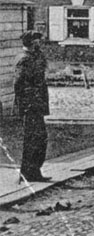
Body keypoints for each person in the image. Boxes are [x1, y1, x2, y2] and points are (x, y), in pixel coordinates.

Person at [13, 30, 50, 183]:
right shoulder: (24, 60)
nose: (40, 44)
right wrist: (29, 103)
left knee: (39, 139)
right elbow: (19, 84)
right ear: (32, 42)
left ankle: (34, 171)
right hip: (30, 106)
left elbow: (43, 65)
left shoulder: (34, 57)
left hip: (36, 105)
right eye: (37, 41)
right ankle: (27, 173)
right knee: (32, 139)